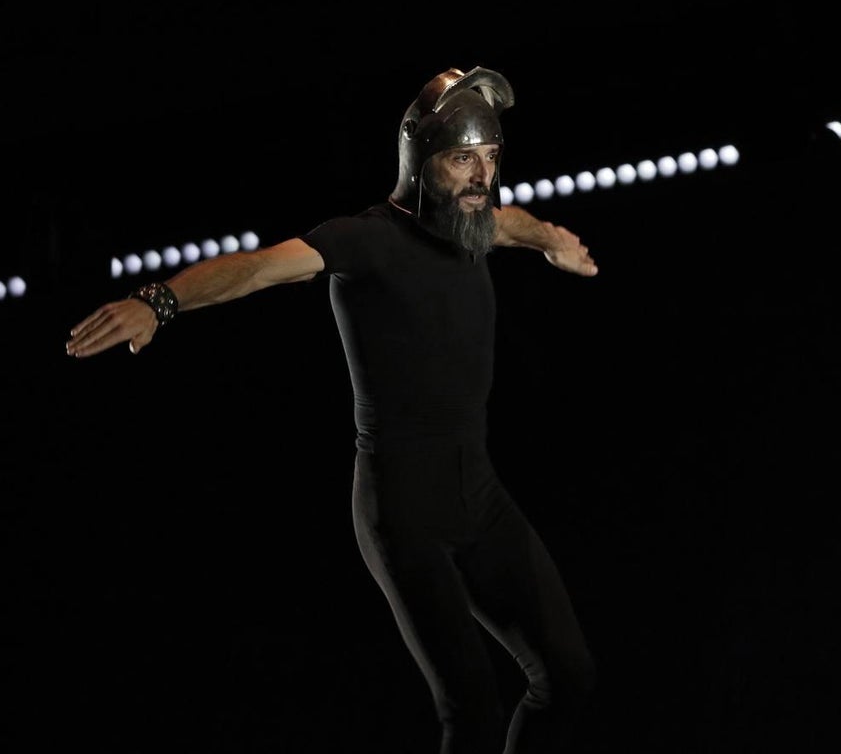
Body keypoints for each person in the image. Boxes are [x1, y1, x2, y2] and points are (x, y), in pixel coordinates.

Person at [65, 66, 598, 754]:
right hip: (401, 508)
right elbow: (256, 267)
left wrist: (548, 236)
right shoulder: (365, 240)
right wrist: (160, 302)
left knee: (570, 677)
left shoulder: (472, 225)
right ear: (418, 157)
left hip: (479, 494)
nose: (480, 176)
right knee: (472, 710)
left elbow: (506, 223)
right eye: (463, 157)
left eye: (490, 158)